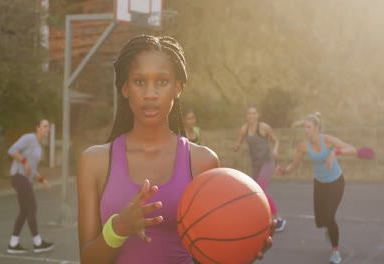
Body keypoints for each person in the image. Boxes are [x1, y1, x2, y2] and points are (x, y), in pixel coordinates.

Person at [77, 35, 275, 264]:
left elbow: (210, 253)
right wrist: (118, 228)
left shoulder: (202, 161)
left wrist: (240, 248)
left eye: (162, 82)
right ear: (125, 88)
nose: (150, 93)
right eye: (140, 82)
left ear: (178, 88)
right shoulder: (95, 161)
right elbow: (88, 259)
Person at [276, 113, 357, 264]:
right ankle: (328, 227)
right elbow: (294, 164)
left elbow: (352, 149)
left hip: (336, 182)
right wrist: (284, 171)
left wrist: (335, 152)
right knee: (320, 221)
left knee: (329, 217)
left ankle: (335, 252)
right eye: (304, 127)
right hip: (320, 183)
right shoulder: (303, 145)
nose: (306, 130)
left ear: (317, 128)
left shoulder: (327, 140)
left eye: (309, 127)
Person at [233, 106, 287, 232]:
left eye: (254, 113)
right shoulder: (244, 129)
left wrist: (275, 149)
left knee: (259, 191)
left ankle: (279, 219)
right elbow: (238, 143)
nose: (251, 116)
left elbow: (276, 140)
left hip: (267, 162)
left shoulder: (263, 127)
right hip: (255, 164)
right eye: (249, 113)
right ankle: (261, 218)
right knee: (253, 192)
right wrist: (236, 147)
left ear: (258, 115)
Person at [6, 119, 54, 254]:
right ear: (37, 128)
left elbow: (31, 169)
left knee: (24, 211)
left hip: (25, 179)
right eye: (44, 126)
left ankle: (13, 244)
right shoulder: (29, 138)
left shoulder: (39, 147)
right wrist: (24, 161)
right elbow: (11, 150)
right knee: (31, 207)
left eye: (48, 127)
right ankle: (38, 243)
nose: (47, 129)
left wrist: (42, 179)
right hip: (17, 176)